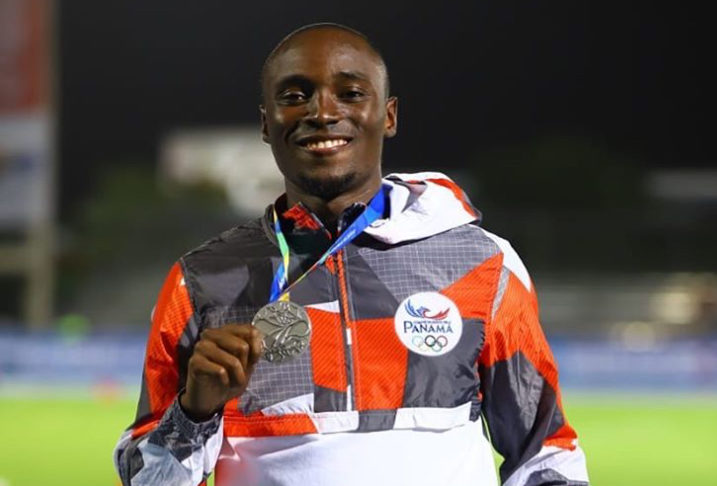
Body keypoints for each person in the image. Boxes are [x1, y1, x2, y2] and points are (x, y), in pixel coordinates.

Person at [114, 23, 589, 486]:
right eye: (294, 95)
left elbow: (544, 455)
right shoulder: (201, 282)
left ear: (389, 115)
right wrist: (194, 413)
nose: (322, 112)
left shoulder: (482, 264)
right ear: (266, 123)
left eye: (351, 93)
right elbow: (145, 479)